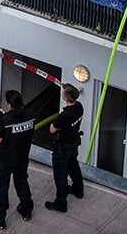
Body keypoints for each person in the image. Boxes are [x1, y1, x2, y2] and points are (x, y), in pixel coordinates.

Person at [0, 90, 35, 229]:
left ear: (8, 104)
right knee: (21, 182)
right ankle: (27, 210)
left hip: (5, 160)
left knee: (2, 188)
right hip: (22, 156)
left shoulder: (5, 120)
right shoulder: (31, 115)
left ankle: (0, 218)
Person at [45, 84, 84, 213]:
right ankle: (78, 190)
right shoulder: (79, 107)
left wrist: (55, 124)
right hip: (74, 142)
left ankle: (61, 203)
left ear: (65, 98)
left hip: (63, 146)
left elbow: (52, 129)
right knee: (73, 166)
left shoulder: (64, 115)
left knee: (60, 174)